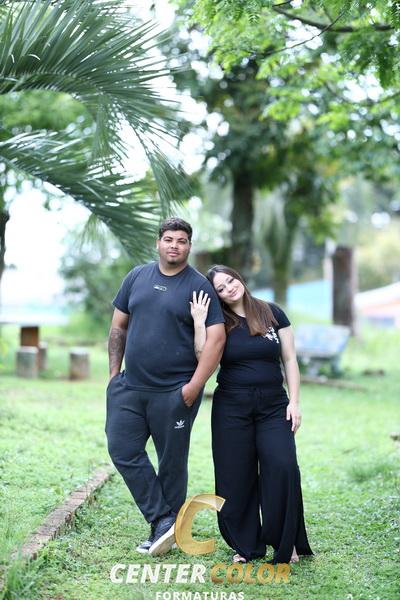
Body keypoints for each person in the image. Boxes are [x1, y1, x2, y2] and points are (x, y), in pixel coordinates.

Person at [105, 218, 225, 557]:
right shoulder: (136, 277)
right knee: (122, 449)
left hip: (175, 391)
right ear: (158, 243)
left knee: (171, 461)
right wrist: (114, 375)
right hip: (130, 387)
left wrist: (194, 386)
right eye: (169, 239)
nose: (174, 245)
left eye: (182, 241)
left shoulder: (199, 286)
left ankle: (162, 530)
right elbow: (118, 327)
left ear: (189, 246)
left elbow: (216, 340)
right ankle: (163, 520)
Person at [191, 265, 313, 565]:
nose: (229, 288)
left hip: (274, 406)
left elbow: (290, 359)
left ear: (240, 279)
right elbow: (203, 357)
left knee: (283, 466)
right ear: (216, 295)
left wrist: (295, 402)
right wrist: (199, 322)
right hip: (231, 407)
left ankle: (286, 542)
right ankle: (247, 546)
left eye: (230, 280)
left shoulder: (272, 312)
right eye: (220, 288)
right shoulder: (219, 320)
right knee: (235, 475)